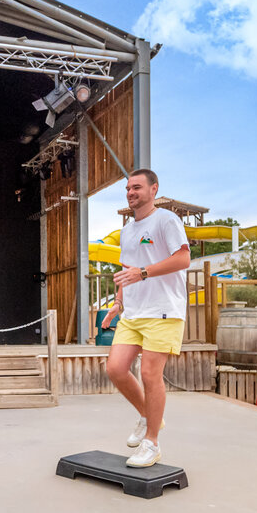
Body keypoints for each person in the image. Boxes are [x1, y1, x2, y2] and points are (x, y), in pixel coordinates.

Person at [101, 169, 191, 467]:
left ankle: (152, 442)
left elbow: (183, 258)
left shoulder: (167, 220)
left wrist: (143, 273)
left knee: (151, 375)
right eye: (128, 188)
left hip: (163, 310)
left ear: (153, 189)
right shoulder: (127, 230)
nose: (131, 192)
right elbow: (128, 270)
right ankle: (148, 416)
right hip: (133, 313)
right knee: (115, 368)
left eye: (137, 187)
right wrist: (117, 303)